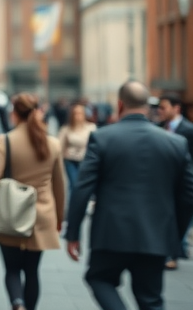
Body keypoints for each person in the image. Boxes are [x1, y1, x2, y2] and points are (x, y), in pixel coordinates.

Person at [66, 81, 193, 310]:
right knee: (150, 299)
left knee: (99, 279)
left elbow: (82, 187)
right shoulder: (176, 143)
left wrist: (73, 232)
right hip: (155, 235)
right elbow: (187, 195)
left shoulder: (102, 138)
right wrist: (175, 234)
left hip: (111, 234)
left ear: (120, 104)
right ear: (148, 105)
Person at [0, 93, 66, 310]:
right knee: (32, 271)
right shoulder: (52, 143)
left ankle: (17, 303)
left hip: (11, 212)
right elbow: (60, 186)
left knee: (12, 269)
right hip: (42, 215)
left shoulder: (6, 141)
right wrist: (59, 217)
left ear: (14, 113)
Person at [155, 93, 193, 269]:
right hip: (162, 183)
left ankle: (174, 253)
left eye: (163, 107)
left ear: (176, 108)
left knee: (180, 217)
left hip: (182, 183)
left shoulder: (189, 130)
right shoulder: (158, 128)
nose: (159, 111)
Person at [57, 104, 96, 192]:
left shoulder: (91, 128)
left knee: (84, 184)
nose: (78, 116)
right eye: (76, 113)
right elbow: (59, 146)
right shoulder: (66, 129)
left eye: (80, 113)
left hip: (85, 160)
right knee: (74, 183)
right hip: (70, 159)